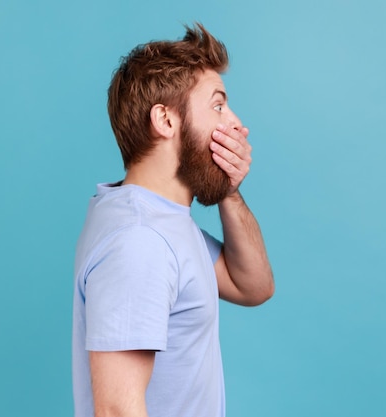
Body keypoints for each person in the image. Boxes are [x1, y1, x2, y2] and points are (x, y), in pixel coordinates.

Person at [72, 23, 274, 417]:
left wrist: (228, 189)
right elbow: (116, 410)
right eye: (218, 105)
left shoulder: (162, 220)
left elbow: (253, 286)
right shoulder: (140, 240)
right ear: (165, 121)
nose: (236, 124)